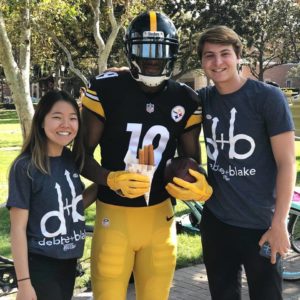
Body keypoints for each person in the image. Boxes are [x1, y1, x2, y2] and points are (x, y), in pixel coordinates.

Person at [80, 10, 212, 300]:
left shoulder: (186, 98)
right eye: (144, 50)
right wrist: (109, 178)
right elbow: (80, 156)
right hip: (113, 217)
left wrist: (199, 183)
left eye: (160, 50)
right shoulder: (106, 88)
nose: (152, 59)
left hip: (160, 220)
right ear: (130, 52)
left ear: (172, 53)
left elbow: (192, 162)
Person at [195, 25, 295, 300]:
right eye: (209, 56)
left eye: (224, 53)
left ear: (239, 56)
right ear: (202, 62)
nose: (217, 62)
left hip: (261, 226)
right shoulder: (202, 100)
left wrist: (279, 223)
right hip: (216, 223)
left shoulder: (267, 97)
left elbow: (287, 163)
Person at [7, 90, 97, 300]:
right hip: (40, 265)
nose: (66, 124)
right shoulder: (25, 167)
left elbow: (73, 206)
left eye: (72, 118)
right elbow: (17, 228)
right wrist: (24, 284)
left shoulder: (70, 158)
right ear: (41, 121)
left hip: (68, 261)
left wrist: (108, 182)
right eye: (57, 117)